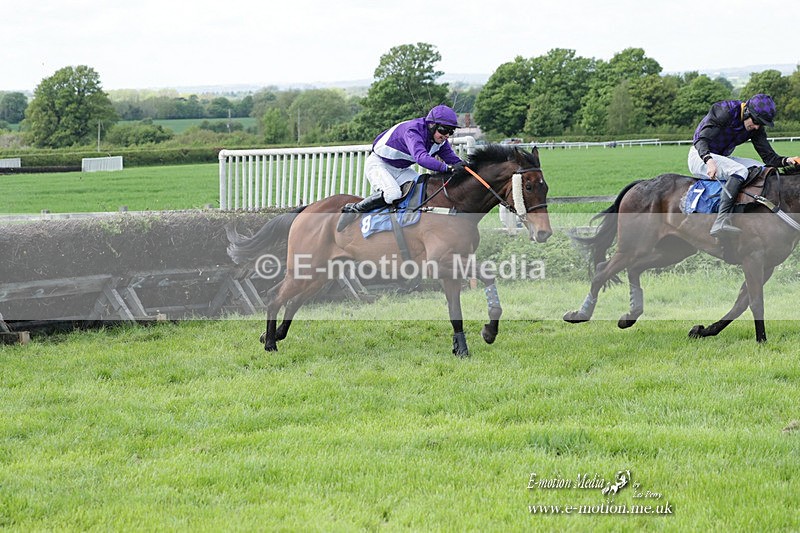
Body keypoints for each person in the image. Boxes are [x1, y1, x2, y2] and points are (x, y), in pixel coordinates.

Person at [337, 104, 465, 232]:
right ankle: (354, 209)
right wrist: (447, 168)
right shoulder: (413, 131)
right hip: (379, 164)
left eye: (451, 131)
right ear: (432, 125)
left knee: (423, 189)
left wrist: (465, 168)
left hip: (401, 169)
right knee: (393, 194)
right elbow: (421, 158)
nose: (447, 135)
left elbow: (453, 160)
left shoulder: (440, 141)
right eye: (444, 130)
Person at [688, 93, 800, 236]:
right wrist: (708, 160)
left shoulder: (756, 127)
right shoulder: (724, 111)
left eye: (761, 124)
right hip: (699, 155)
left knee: (762, 169)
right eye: (756, 122)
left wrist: (787, 160)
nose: (757, 126)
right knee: (740, 171)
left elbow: (768, 157)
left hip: (721, 158)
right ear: (747, 111)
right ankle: (721, 221)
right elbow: (701, 139)